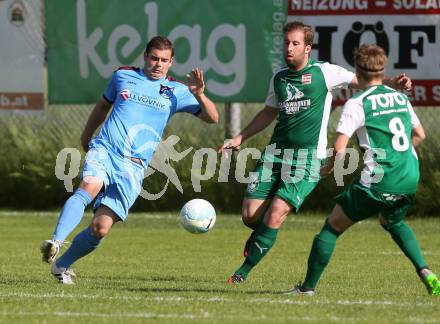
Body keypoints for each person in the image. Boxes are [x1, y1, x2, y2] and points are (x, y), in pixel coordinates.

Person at [218, 22, 412, 284]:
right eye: (286, 42)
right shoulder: (279, 77)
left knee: (276, 212)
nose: (289, 48)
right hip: (275, 154)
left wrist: (393, 83)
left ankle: (242, 272)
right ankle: (260, 233)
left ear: (307, 48)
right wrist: (239, 137)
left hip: (308, 157)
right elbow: (269, 111)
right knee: (250, 216)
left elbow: (363, 81)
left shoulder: (325, 72)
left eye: (295, 43)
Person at [41, 36, 218, 284]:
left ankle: (61, 266)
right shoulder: (122, 76)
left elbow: (213, 118)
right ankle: (55, 241)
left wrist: (200, 94)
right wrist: (86, 136)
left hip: (134, 166)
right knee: (88, 187)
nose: (158, 64)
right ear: (145, 56)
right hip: (106, 148)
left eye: (164, 60)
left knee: (100, 228)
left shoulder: (177, 91)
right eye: (154, 58)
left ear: (171, 62)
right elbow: (103, 106)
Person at [287, 44, 439, 296]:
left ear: (357, 69)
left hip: (378, 181)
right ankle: (425, 270)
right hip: (409, 176)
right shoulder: (400, 97)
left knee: (331, 228)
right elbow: (420, 135)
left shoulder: (357, 103)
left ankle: (307, 288)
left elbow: (339, 148)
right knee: (392, 220)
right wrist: (396, 157)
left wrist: (327, 169)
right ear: (383, 69)